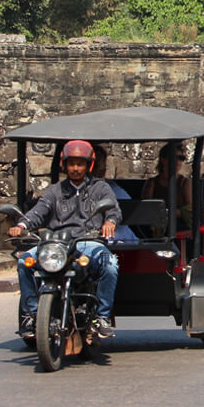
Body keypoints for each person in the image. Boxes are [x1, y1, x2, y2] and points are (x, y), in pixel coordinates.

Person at [9, 139, 121, 340]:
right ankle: (30, 315)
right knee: (24, 261)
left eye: (80, 164)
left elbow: (113, 210)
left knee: (111, 264)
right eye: (71, 164)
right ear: (64, 165)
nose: (76, 168)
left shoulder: (100, 188)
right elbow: (39, 212)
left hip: (88, 241)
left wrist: (110, 222)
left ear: (89, 165)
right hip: (56, 244)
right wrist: (22, 226)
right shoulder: (55, 191)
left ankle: (101, 317)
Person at [142, 141, 194, 229]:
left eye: (181, 158)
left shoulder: (185, 183)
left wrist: (171, 213)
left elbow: (189, 208)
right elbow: (145, 206)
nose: (178, 161)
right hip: (156, 222)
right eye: (174, 157)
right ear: (163, 159)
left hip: (179, 224)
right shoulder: (153, 183)